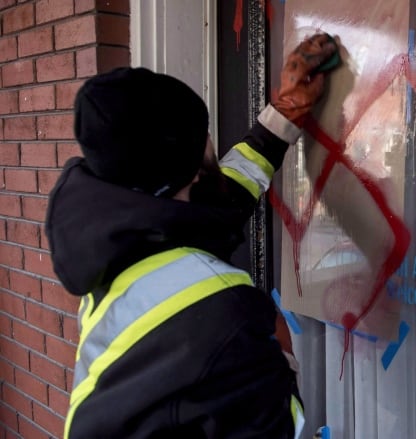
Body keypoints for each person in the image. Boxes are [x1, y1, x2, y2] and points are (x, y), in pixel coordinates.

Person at [44, 33, 338, 438]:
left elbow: (223, 197)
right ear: (189, 168)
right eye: (204, 137)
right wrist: (280, 359)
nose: (213, 144)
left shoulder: (116, 238)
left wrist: (284, 114)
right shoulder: (227, 312)